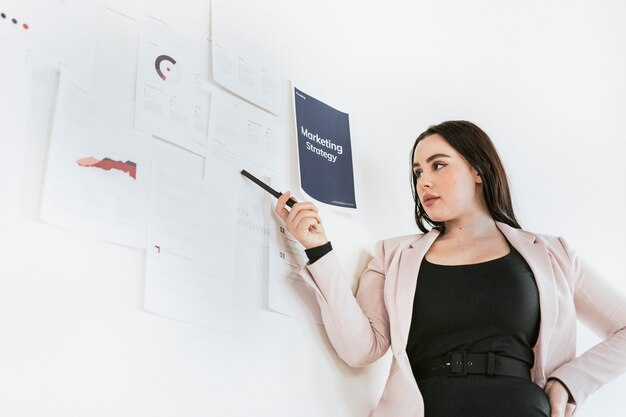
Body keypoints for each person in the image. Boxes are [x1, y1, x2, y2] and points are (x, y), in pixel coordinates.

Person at [274, 120, 626, 417]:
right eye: (417, 172)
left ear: (477, 169)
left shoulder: (552, 254)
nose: (423, 181)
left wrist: (570, 382)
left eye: (438, 165)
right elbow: (360, 348)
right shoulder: (393, 255)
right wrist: (318, 249)